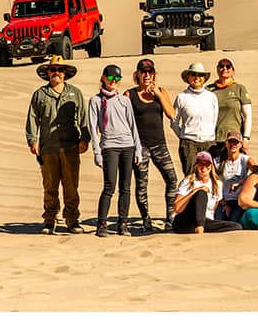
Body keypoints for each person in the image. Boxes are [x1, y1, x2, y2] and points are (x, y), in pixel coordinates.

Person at [24, 55, 91, 235]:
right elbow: (32, 119)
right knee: (50, 186)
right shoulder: (39, 94)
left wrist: (85, 139)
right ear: (47, 73)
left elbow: (83, 117)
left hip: (71, 147)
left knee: (71, 186)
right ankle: (49, 220)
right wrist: (33, 140)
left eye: (60, 70)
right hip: (48, 147)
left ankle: (72, 220)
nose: (56, 73)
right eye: (53, 70)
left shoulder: (74, 93)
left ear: (65, 74)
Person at [89, 64, 142, 237]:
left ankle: (123, 223)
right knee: (109, 186)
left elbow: (133, 125)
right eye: (110, 78)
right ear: (103, 78)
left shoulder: (124, 100)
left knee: (125, 187)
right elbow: (93, 128)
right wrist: (97, 152)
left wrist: (138, 149)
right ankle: (101, 224)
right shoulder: (96, 101)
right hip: (109, 147)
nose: (113, 81)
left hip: (128, 146)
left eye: (117, 78)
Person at [127, 58, 179, 232]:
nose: (147, 75)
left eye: (150, 72)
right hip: (140, 146)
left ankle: (170, 218)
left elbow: (172, 114)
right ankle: (146, 219)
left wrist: (158, 94)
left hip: (159, 144)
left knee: (172, 179)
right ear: (138, 74)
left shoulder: (161, 91)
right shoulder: (130, 94)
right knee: (142, 184)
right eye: (143, 72)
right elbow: (126, 121)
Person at [170, 152, 242, 234]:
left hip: (205, 221)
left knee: (236, 227)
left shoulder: (217, 184)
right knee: (201, 193)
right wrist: (194, 191)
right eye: (201, 164)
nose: (204, 168)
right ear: (196, 166)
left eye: (207, 165)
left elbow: (214, 207)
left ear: (211, 167)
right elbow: (176, 208)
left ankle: (203, 230)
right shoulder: (188, 182)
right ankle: (199, 231)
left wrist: (225, 205)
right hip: (186, 221)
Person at [172, 62, 219, 176]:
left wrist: (209, 135)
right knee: (190, 177)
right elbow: (174, 121)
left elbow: (215, 119)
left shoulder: (211, 97)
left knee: (209, 176)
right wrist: (184, 136)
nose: (197, 78)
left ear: (204, 78)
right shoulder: (182, 97)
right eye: (193, 74)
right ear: (188, 77)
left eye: (200, 75)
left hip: (209, 143)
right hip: (189, 144)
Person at [208, 58, 253, 159]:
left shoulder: (239, 88)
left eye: (228, 66)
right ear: (217, 69)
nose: (224, 69)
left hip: (233, 139)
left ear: (233, 71)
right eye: (221, 66)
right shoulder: (209, 90)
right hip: (213, 139)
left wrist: (246, 138)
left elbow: (247, 116)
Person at [213, 131, 255, 222]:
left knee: (233, 221)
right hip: (223, 200)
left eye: (236, 142)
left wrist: (241, 183)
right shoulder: (217, 162)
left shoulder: (245, 159)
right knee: (218, 221)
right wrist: (224, 204)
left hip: (239, 201)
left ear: (240, 144)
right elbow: (213, 183)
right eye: (230, 142)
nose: (233, 144)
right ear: (226, 143)